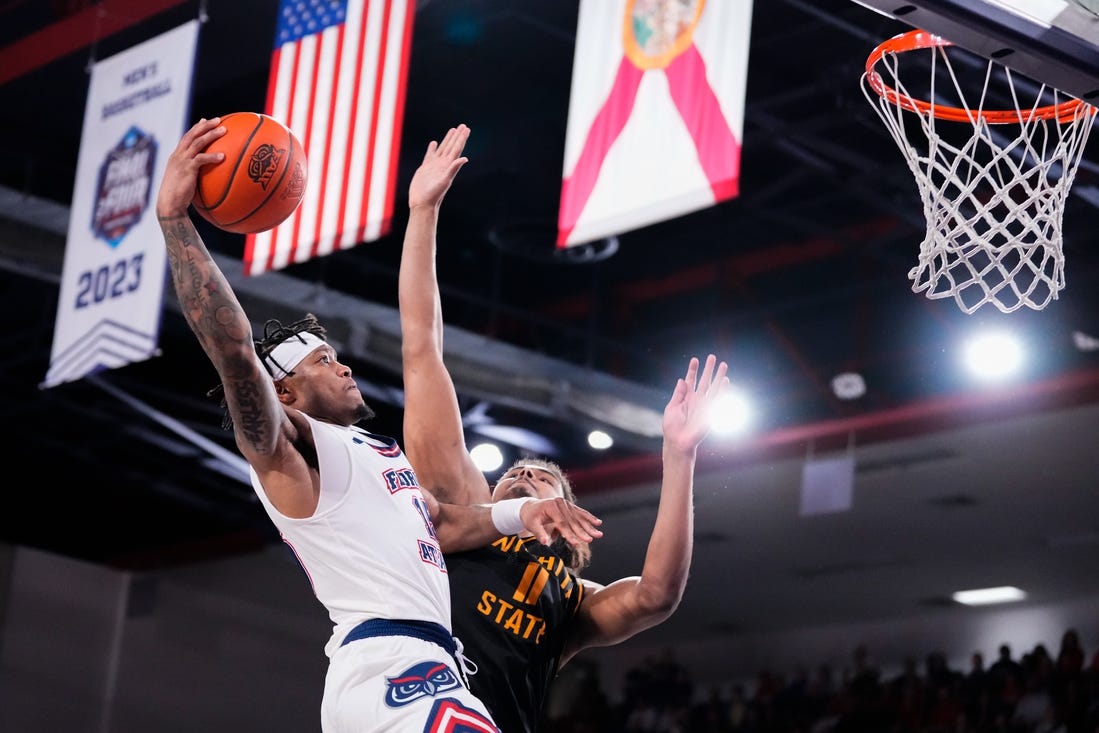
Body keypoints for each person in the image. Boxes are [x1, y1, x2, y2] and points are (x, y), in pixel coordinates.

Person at [155, 117, 605, 733]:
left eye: (335, 355)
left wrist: (519, 515)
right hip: (394, 671)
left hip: (422, 672)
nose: (341, 367)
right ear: (283, 391)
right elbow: (233, 351)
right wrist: (177, 224)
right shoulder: (287, 449)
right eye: (321, 362)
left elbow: (442, 520)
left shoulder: (372, 456)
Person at [398, 122, 729, 732]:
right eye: (513, 471)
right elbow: (423, 350)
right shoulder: (459, 510)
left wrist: (678, 457)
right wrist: (423, 213)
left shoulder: (569, 601)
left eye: (543, 474)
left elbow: (656, 595)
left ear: (572, 525)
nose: (521, 470)